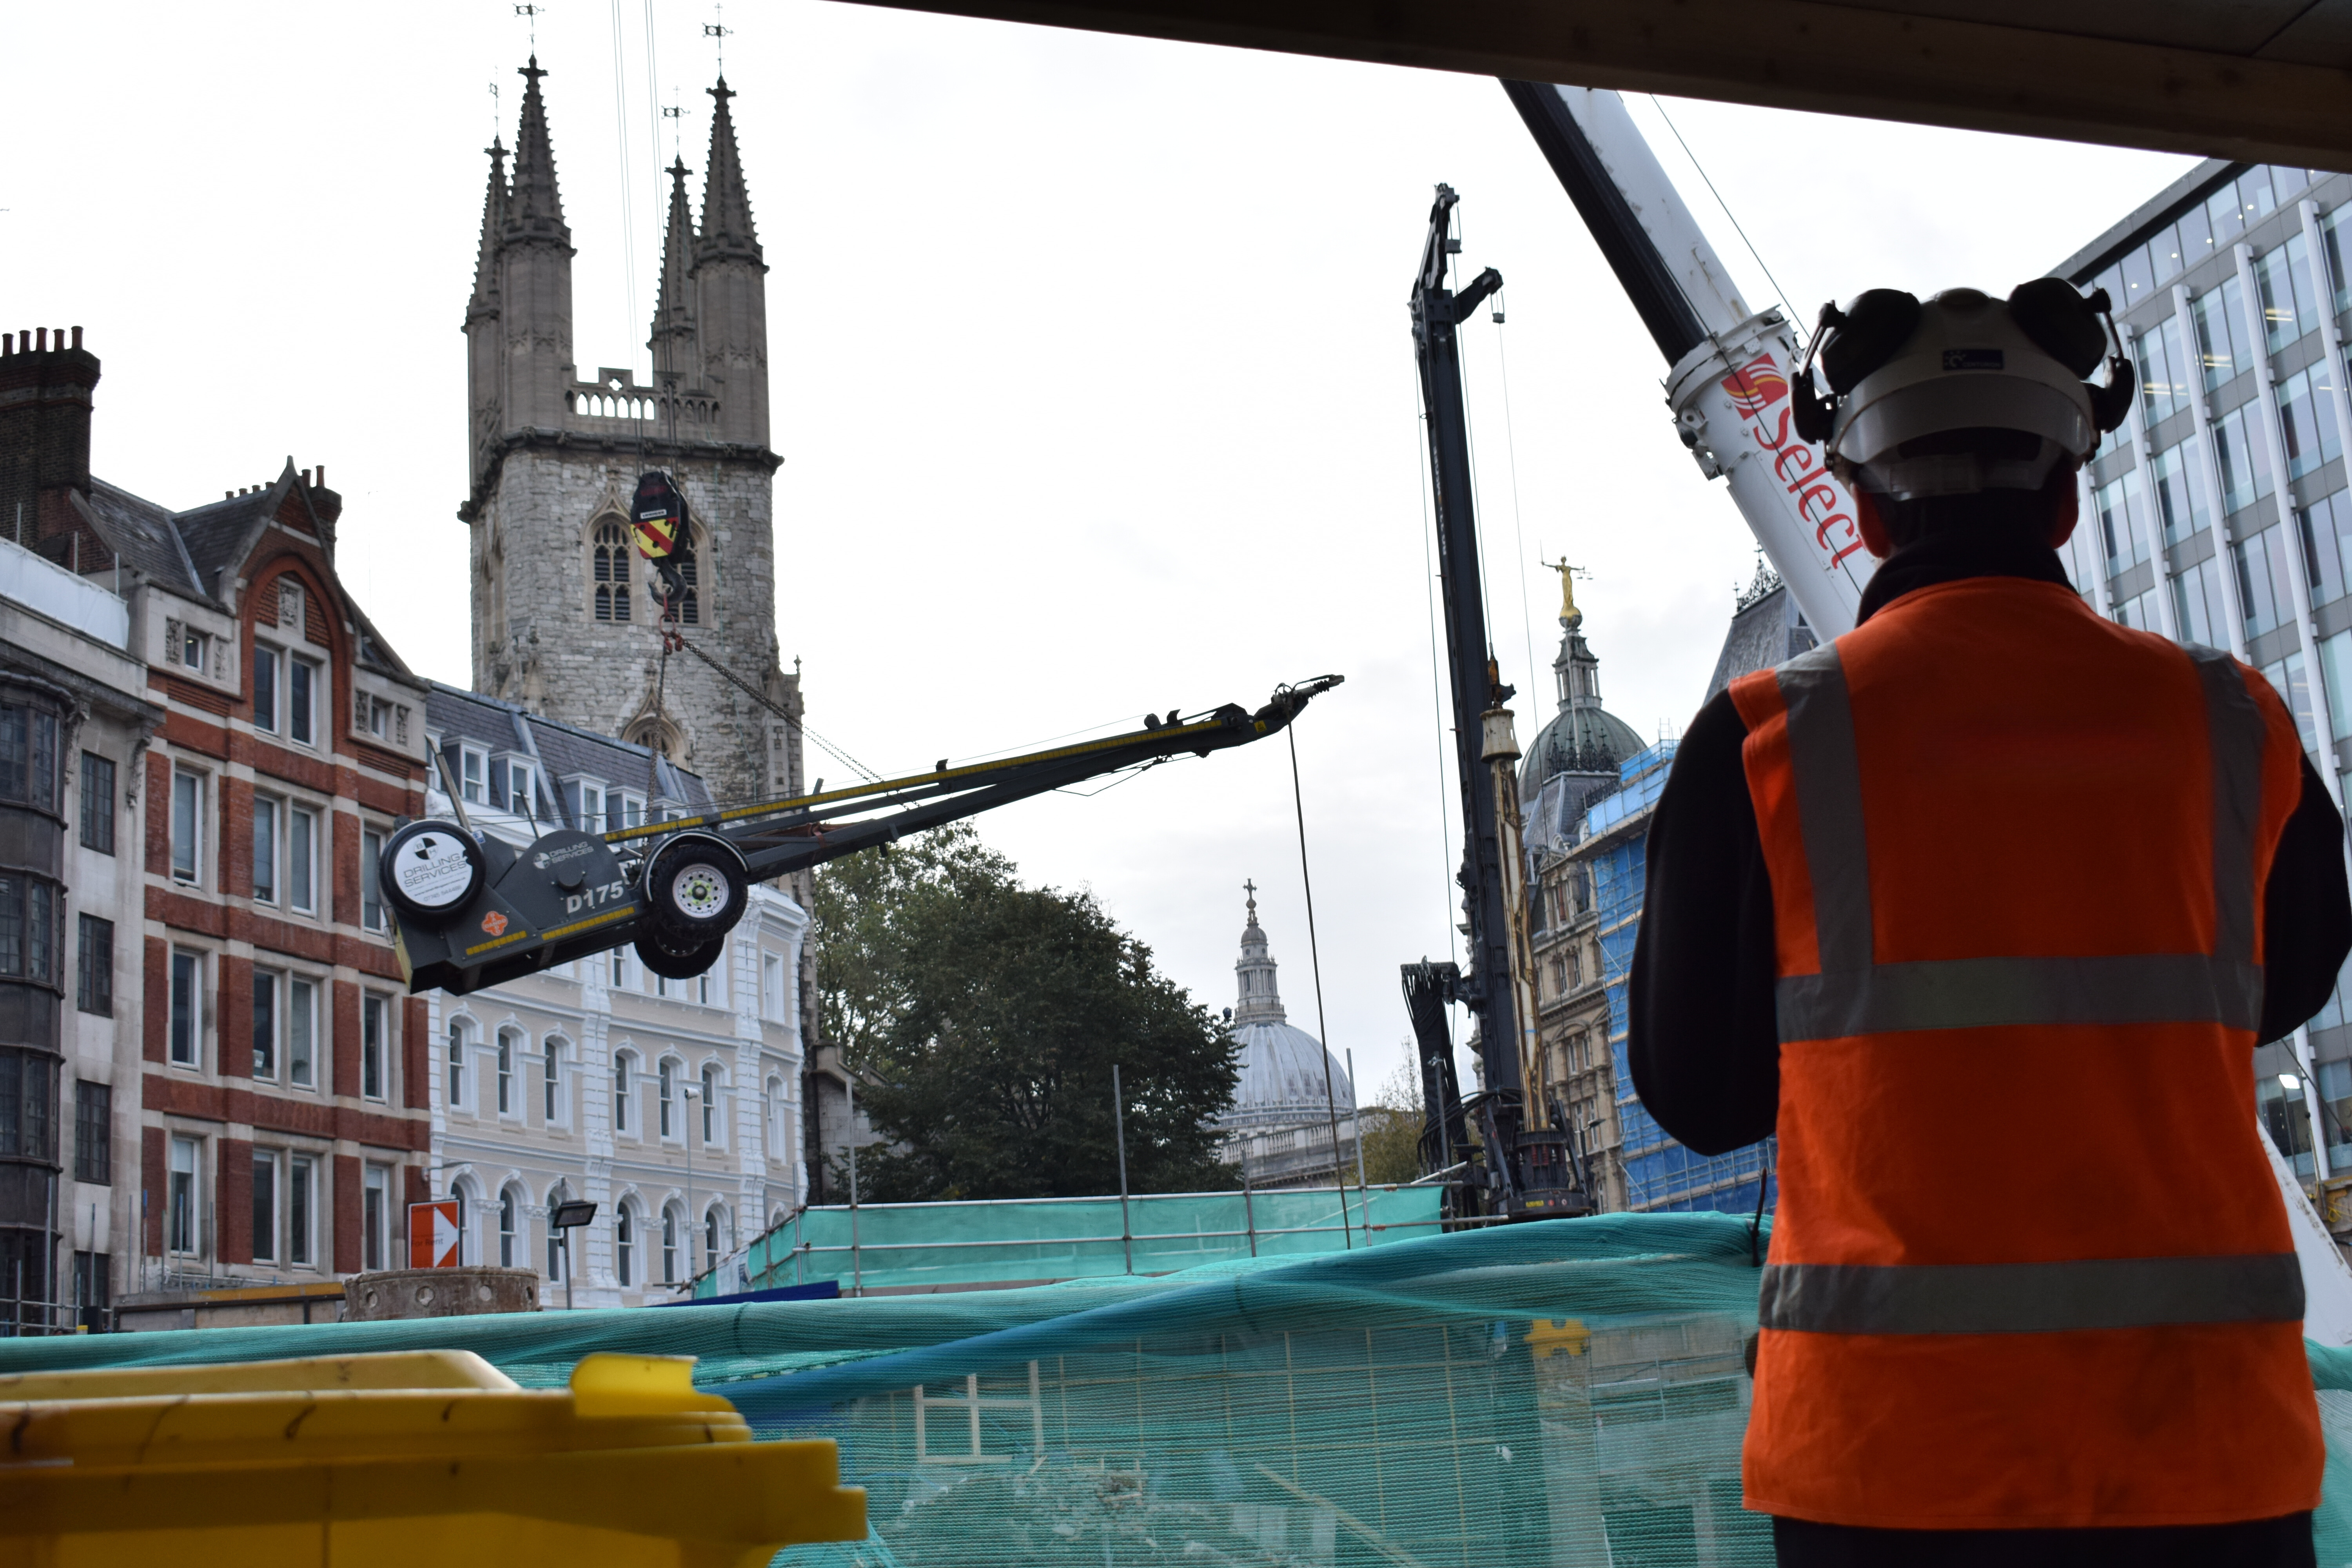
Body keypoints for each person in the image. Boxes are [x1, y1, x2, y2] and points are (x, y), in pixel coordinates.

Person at [1628, 279, 2352, 1568]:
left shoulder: (1765, 743)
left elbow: (1697, 1092)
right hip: (2205, 1457)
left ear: (1857, 498)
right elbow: (2282, 983)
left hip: (1890, 1472)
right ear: (2068, 494)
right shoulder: (2236, 722)